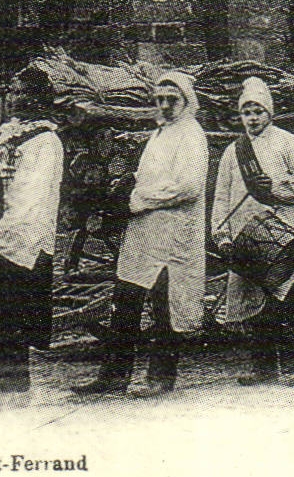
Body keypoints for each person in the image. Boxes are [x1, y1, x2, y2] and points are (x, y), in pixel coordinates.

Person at [74, 72, 208, 398]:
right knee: (126, 302)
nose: (164, 105)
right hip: (143, 233)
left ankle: (160, 379)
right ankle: (113, 376)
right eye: (160, 99)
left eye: (171, 99)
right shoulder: (160, 134)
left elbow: (188, 187)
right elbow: (149, 173)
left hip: (173, 233)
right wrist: (126, 184)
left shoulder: (192, 136)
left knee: (165, 307)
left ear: (186, 101)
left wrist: (137, 200)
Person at [0, 67, 64, 409]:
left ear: (36, 98)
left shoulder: (46, 142)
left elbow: (32, 199)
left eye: (21, 92)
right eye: (12, 90)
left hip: (22, 240)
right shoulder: (7, 135)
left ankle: (13, 391)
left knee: (11, 317)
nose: (13, 97)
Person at [213, 76, 294, 386]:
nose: (253, 118)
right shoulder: (234, 151)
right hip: (248, 234)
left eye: (258, 111)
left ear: (269, 113)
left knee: (289, 298)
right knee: (256, 300)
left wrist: (274, 187)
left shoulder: (288, 142)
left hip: (284, 234)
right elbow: (221, 195)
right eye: (247, 112)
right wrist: (222, 234)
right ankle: (263, 367)